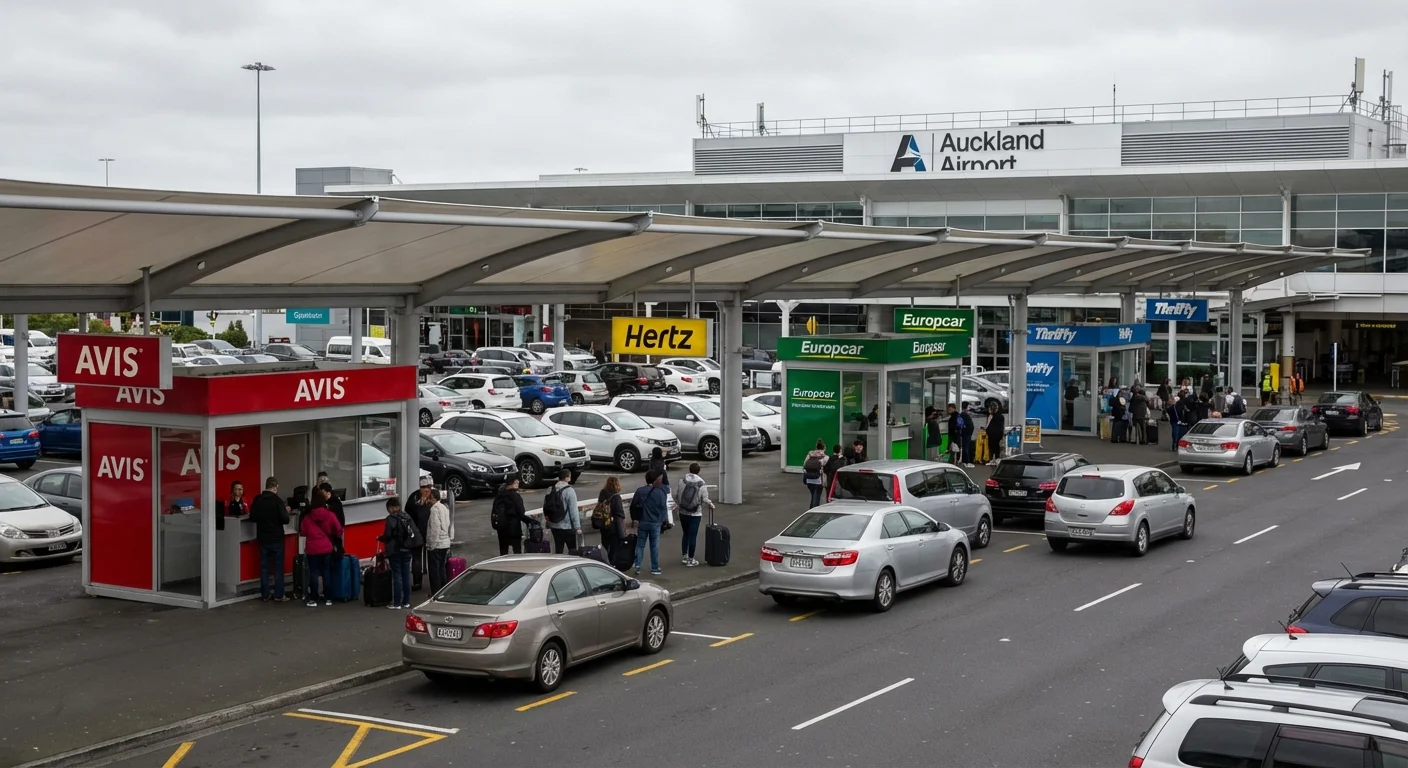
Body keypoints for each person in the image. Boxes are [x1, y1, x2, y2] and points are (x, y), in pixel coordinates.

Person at [299, 488, 343, 607]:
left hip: (312, 548)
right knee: (326, 572)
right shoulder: (330, 514)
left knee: (313, 572)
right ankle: (328, 598)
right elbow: (339, 529)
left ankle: (313, 598)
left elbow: (303, 532)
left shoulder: (308, 517)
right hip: (326, 547)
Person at [249, 476, 290, 602]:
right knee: (278, 568)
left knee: (264, 568)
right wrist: (286, 511)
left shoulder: (258, 500)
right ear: (275, 486)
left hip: (263, 538)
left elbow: (253, 517)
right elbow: (285, 519)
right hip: (277, 538)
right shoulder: (278, 501)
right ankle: (279, 595)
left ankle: (265, 594)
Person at [378, 497, 417, 610]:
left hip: (394, 550)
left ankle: (396, 603)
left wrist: (380, 538)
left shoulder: (390, 519)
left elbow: (388, 535)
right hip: (407, 549)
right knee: (406, 575)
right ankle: (406, 602)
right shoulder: (407, 516)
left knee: (397, 576)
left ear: (390, 508)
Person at [671, 463, 711, 566]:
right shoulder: (701, 483)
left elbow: (675, 495)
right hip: (695, 513)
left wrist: (679, 504)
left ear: (689, 469)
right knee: (693, 536)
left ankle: (684, 556)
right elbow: (705, 498)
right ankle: (691, 559)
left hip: (683, 512)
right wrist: (710, 504)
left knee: (686, 534)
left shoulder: (682, 480)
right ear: (698, 471)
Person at [634, 471, 669, 576]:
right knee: (654, 546)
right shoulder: (660, 492)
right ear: (654, 480)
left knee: (640, 545)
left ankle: (637, 566)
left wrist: (635, 519)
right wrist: (661, 521)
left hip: (643, 521)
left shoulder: (640, 491)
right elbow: (663, 508)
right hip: (655, 523)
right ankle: (654, 568)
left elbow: (634, 505)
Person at [404, 478, 435, 591]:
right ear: (420, 488)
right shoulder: (414, 498)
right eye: (424, 487)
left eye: (429, 487)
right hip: (417, 532)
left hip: (431, 532)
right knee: (417, 558)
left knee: (432, 558)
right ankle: (417, 582)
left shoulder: (433, 497)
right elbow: (409, 513)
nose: (427, 489)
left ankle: (434, 582)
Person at [544, 469, 581, 554]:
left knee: (558, 549)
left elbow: (546, 506)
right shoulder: (569, 491)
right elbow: (573, 510)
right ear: (567, 478)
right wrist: (577, 527)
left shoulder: (550, 489)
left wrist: (548, 521)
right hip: (567, 526)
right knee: (572, 550)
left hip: (554, 525)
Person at [492, 478, 531, 555]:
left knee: (503, 551)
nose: (518, 485)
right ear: (512, 484)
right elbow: (521, 514)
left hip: (501, 528)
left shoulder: (498, 497)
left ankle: (503, 565)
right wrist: (531, 521)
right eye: (516, 483)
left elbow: (494, 512)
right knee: (517, 551)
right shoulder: (515, 496)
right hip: (514, 528)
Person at [425, 488, 452, 594]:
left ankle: (435, 592)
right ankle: (443, 591)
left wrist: (431, 544)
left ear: (433, 498)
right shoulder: (445, 508)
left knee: (434, 570)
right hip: (445, 542)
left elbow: (435, 528)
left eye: (429, 498)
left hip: (437, 543)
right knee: (441, 568)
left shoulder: (434, 509)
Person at [595, 476, 626, 560]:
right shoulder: (616, 497)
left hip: (603, 524)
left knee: (605, 546)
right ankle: (611, 564)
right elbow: (619, 513)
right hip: (613, 526)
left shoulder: (602, 493)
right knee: (614, 548)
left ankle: (604, 561)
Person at [802, 439, 829, 508]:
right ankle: (813, 511)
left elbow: (804, 465)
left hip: (809, 479)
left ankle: (812, 509)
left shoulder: (810, 455)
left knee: (813, 495)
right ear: (824, 448)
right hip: (818, 480)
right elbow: (826, 469)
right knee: (816, 497)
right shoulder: (825, 457)